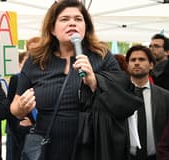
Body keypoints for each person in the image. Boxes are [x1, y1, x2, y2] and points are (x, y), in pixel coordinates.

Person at [10, 1, 140, 160]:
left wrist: (94, 81)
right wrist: (22, 108)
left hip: (91, 148)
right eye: (64, 19)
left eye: (78, 19)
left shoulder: (102, 56)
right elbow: (14, 108)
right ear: (52, 29)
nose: (72, 22)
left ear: (86, 26)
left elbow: (123, 99)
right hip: (48, 148)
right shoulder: (35, 61)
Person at [125, 45, 169, 160]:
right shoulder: (119, 95)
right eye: (133, 60)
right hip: (126, 155)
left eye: (142, 59)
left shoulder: (165, 96)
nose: (137, 63)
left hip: (156, 156)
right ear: (128, 65)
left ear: (151, 65)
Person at [6, 51, 34, 160]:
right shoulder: (16, 79)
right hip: (18, 129)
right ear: (20, 64)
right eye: (26, 62)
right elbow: (10, 106)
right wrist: (19, 124)